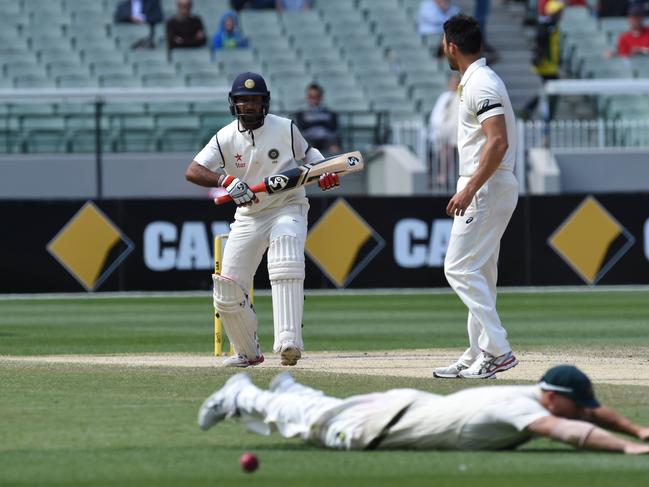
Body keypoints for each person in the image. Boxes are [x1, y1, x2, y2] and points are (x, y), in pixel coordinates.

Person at [184, 72, 340, 368]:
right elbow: (193, 170)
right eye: (243, 101)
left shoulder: (286, 128)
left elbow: (313, 161)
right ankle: (247, 351)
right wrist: (225, 180)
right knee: (227, 289)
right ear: (234, 104)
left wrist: (325, 174)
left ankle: (289, 340)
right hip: (248, 214)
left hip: (288, 206)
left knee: (285, 256)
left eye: (254, 101)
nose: (249, 106)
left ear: (264, 103)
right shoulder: (225, 137)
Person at [198, 365, 649, 454]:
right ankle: (242, 394)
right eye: (575, 404)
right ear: (553, 396)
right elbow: (572, 433)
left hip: (406, 406)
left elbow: (591, 416)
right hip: (375, 427)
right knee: (308, 427)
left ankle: (291, 389)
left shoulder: (539, 397)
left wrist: (639, 431)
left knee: (321, 410)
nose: (582, 411)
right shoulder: (522, 408)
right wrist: (628, 452)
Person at [434, 15, 519, 379]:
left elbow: (498, 140)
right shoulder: (479, 79)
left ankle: (498, 349)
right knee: (480, 272)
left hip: (484, 185)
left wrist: (469, 188)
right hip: (492, 184)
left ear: (452, 46)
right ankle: (477, 353)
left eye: (443, 42)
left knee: (458, 268)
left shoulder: (480, 83)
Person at [428, 73, 460, 187]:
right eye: (452, 82)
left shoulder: (461, 97)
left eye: (456, 82)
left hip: (457, 135)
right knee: (445, 152)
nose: (454, 85)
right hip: (445, 135)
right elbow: (437, 117)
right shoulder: (444, 97)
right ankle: (442, 177)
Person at [293, 83, 340, 155]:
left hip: (327, 139)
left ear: (321, 97)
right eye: (311, 96)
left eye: (316, 96)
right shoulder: (301, 113)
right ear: (307, 97)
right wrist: (321, 122)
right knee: (307, 149)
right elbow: (302, 127)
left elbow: (333, 127)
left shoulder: (330, 113)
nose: (314, 99)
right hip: (309, 140)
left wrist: (312, 123)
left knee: (334, 148)